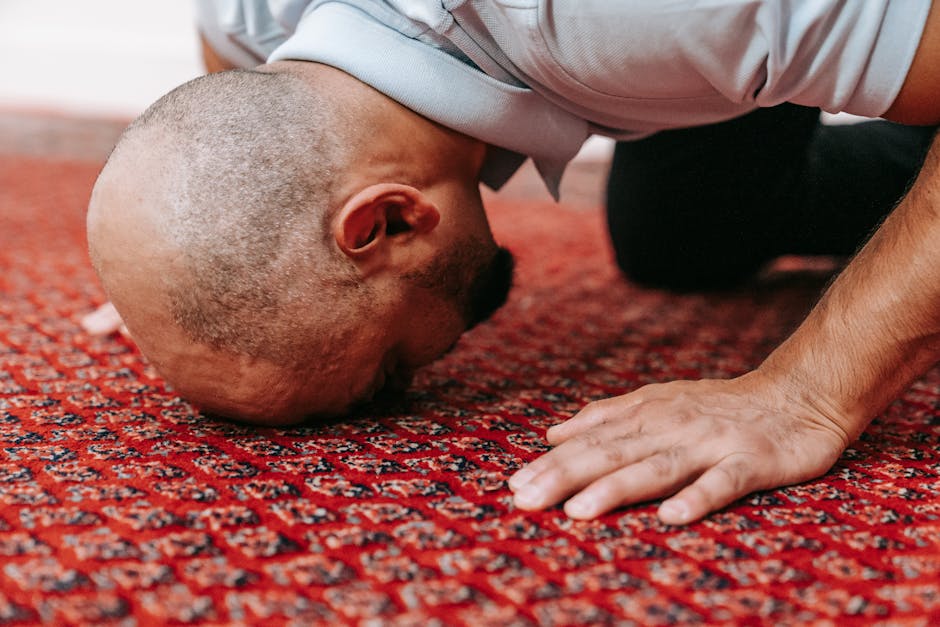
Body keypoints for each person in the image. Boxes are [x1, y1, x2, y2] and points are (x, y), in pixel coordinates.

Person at [84, 0, 940, 526]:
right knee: (682, 238)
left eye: (388, 374)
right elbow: (235, 107)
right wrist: (197, 271)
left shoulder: (639, 15)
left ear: (385, 219)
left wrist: (808, 393)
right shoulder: (252, 12)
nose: (412, 383)